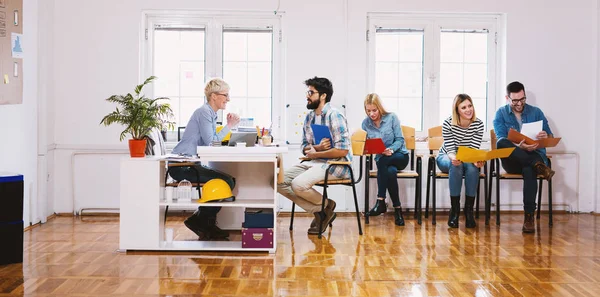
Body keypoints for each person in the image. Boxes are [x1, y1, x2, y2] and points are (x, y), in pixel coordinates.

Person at [277, 77, 351, 235]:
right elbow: (304, 146)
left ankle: (322, 211)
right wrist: (316, 148)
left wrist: (316, 152)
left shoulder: (334, 116)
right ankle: (324, 208)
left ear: (323, 95)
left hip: (334, 165)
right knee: (278, 181)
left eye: (311, 92)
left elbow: (342, 151)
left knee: (298, 184)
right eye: (307, 92)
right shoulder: (309, 117)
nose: (307, 95)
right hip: (314, 162)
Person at [170, 78, 240, 240]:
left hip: (190, 164)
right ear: (214, 96)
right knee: (227, 182)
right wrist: (229, 126)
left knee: (229, 180)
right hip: (182, 166)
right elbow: (211, 142)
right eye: (225, 95)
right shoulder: (204, 112)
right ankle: (201, 222)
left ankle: (202, 222)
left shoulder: (210, 114)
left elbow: (211, 140)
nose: (228, 99)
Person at [493, 81, 555, 234]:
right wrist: (519, 147)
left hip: (533, 155)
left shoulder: (536, 112)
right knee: (501, 142)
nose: (519, 103)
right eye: (515, 100)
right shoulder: (500, 114)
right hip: (512, 160)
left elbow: (551, 137)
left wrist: (545, 135)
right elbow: (501, 141)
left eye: (522, 99)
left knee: (529, 169)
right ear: (507, 98)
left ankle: (529, 217)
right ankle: (538, 165)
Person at [436, 94, 485, 228]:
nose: (468, 110)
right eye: (464, 107)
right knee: (456, 166)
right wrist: (454, 158)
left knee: (473, 168)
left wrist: (476, 161)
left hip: (466, 157)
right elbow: (450, 149)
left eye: (470, 106)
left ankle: (469, 211)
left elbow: (473, 149)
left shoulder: (478, 124)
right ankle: (455, 211)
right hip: (446, 156)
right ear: (457, 110)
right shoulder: (448, 123)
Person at [361, 93, 410, 226]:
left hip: (399, 156)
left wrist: (391, 150)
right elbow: (366, 145)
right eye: (368, 110)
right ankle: (398, 211)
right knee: (390, 172)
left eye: (374, 110)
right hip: (383, 160)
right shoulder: (365, 124)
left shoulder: (391, 117)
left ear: (380, 108)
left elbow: (400, 139)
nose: (371, 114)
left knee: (382, 161)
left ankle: (380, 200)